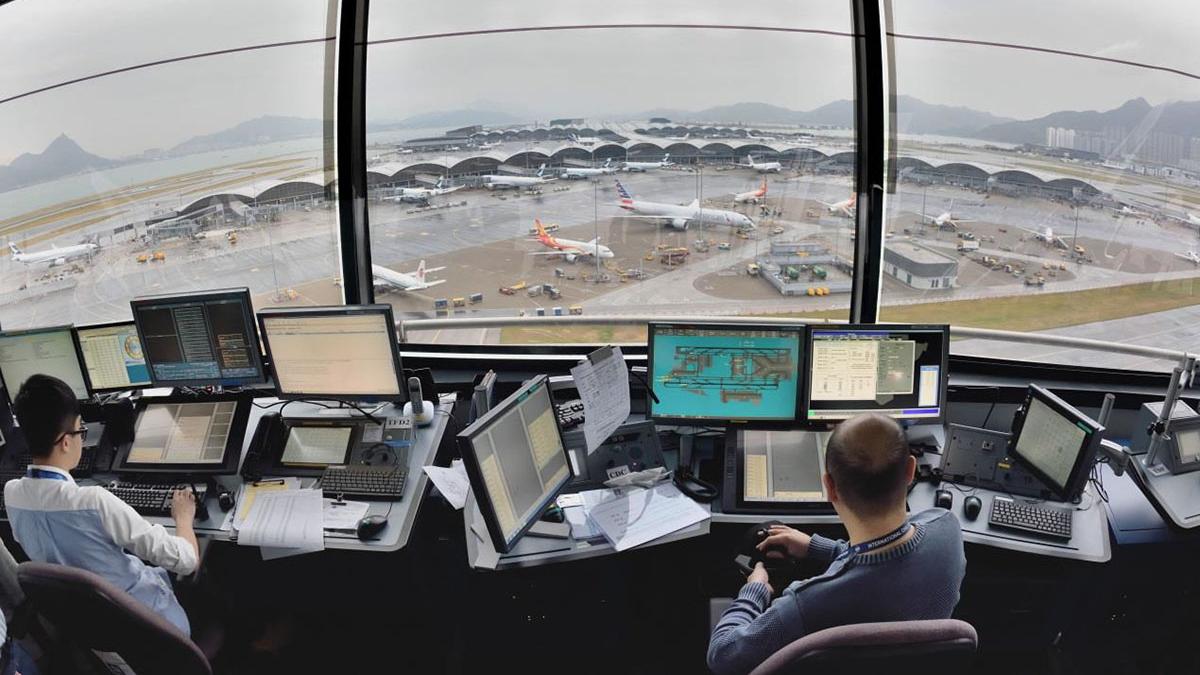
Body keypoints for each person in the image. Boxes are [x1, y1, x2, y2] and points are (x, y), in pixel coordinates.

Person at [707, 413, 966, 675]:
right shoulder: (947, 529)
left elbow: (723, 656)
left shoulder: (806, 604)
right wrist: (816, 546)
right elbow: (886, 559)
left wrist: (755, 591)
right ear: (910, 471)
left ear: (829, 487)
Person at [4, 374, 200, 636]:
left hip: (91, 627)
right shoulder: (94, 501)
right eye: (80, 431)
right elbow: (186, 561)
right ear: (65, 442)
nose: (81, 440)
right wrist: (184, 519)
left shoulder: (12, 494)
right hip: (151, 626)